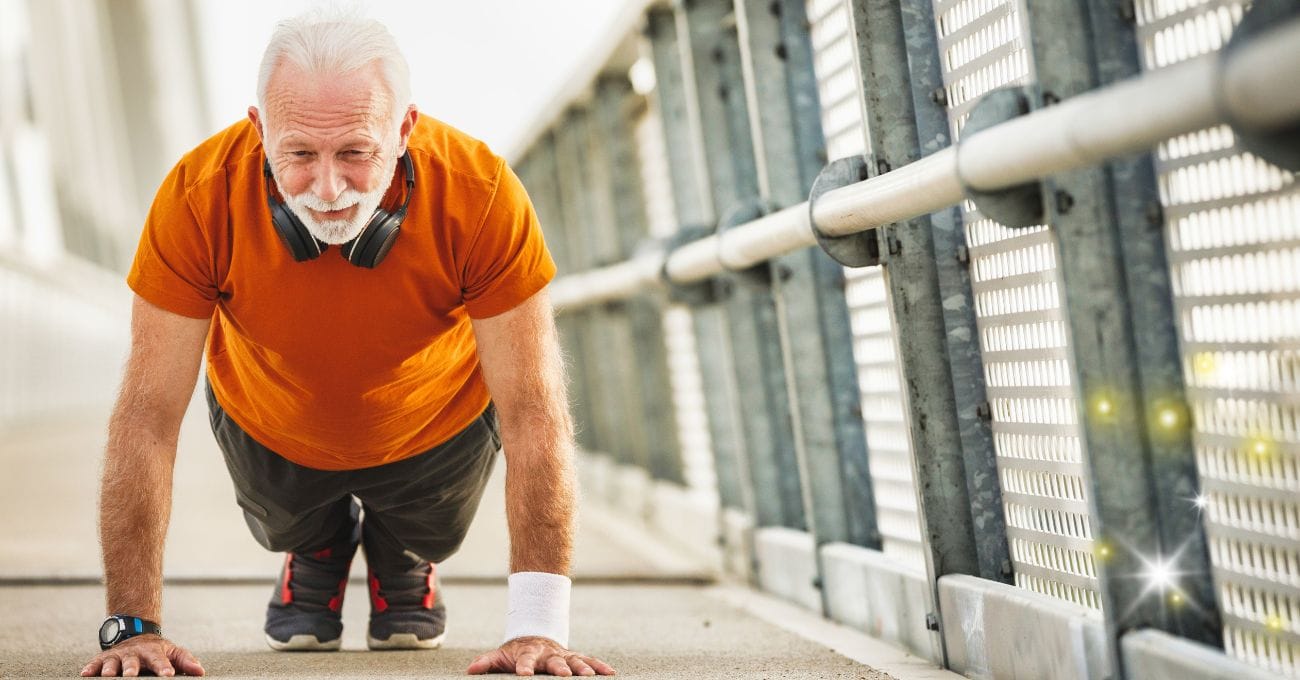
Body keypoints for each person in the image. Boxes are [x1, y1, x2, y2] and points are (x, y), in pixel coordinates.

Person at [79, 9, 615, 678]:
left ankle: (403, 550)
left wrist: (539, 628)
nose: (328, 189)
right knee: (291, 522)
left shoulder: (481, 196)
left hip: (435, 426)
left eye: (356, 153)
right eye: (299, 154)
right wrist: (131, 628)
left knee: (430, 529)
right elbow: (147, 417)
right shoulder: (197, 197)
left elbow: (534, 411)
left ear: (404, 130)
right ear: (259, 130)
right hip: (270, 422)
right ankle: (315, 545)